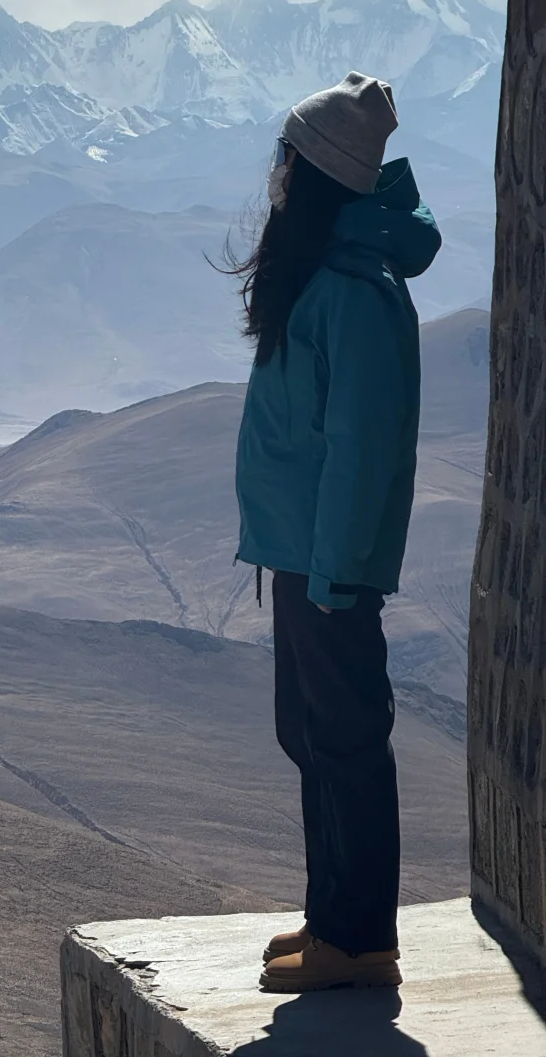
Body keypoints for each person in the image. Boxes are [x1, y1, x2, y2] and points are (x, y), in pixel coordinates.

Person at [231, 72, 441, 994]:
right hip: (301, 549)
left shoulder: (355, 289)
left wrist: (334, 571)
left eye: (285, 155)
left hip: (330, 561)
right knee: (309, 731)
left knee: (346, 736)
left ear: (309, 171)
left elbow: (361, 445)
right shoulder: (326, 271)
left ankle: (359, 941)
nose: (274, 171)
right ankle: (333, 920)